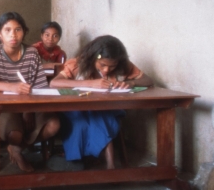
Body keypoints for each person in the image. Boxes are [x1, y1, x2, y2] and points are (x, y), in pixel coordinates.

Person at [50, 35, 153, 169]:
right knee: (83, 120)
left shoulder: (123, 65)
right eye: (102, 65)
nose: (106, 70)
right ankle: (93, 159)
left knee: (102, 116)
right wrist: (90, 83)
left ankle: (108, 166)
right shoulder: (77, 64)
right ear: (94, 57)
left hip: (109, 109)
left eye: (112, 66)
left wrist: (130, 82)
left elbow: (148, 81)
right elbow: (54, 83)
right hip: (77, 109)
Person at [0, 12, 61, 172]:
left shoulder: (32, 53)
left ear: (24, 32)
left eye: (18, 30)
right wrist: (12, 87)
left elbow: (40, 87)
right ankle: (16, 145)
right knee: (15, 134)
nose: (13, 35)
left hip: (30, 102)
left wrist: (28, 109)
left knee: (54, 125)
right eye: (7, 30)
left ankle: (16, 149)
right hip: (5, 107)